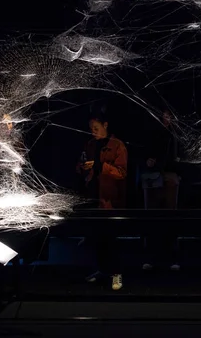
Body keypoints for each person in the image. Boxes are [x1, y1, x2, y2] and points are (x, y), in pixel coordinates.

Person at [76, 112, 128, 290]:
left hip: (110, 200)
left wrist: (100, 167)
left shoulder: (117, 145)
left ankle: (116, 275)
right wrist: (82, 167)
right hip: (95, 198)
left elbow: (121, 172)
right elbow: (81, 165)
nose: (93, 132)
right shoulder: (90, 144)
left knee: (112, 240)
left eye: (96, 128)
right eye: (91, 129)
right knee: (99, 239)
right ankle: (101, 270)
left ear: (105, 125)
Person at [141, 109, 181, 272]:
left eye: (169, 115)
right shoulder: (153, 132)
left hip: (169, 177)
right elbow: (144, 152)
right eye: (164, 115)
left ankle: (170, 257)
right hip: (155, 178)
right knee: (153, 219)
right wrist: (147, 161)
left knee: (169, 218)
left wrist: (177, 172)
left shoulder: (175, 135)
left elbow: (180, 156)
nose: (166, 118)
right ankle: (152, 258)